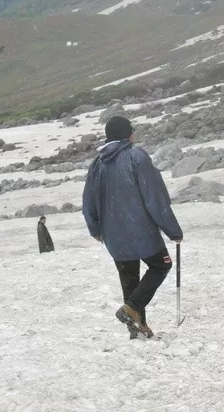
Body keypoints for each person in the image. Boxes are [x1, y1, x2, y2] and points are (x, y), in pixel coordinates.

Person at [82, 115, 183, 338]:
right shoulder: (137, 158)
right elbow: (155, 198)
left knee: (130, 278)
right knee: (161, 265)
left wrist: (95, 229)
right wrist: (173, 231)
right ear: (128, 134)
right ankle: (133, 309)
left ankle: (137, 328)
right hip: (142, 231)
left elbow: (88, 201)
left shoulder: (97, 164)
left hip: (113, 236)